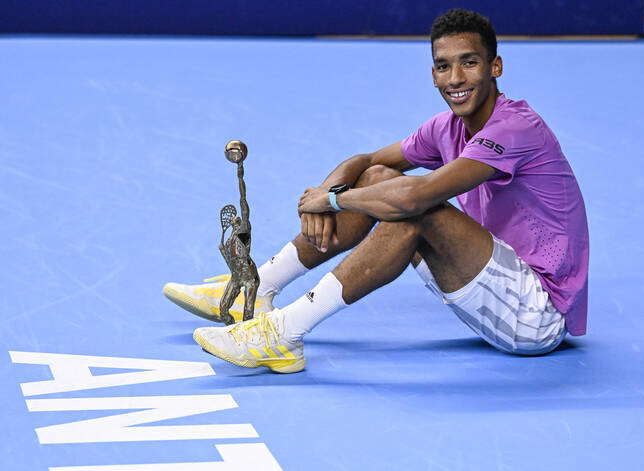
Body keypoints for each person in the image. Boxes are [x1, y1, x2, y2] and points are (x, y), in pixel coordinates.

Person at [163, 8, 589, 374]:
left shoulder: (515, 129)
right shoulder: (447, 127)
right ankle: (255, 290)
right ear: (433, 73)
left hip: (536, 316)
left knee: (415, 211)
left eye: (469, 63)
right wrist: (328, 190)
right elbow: (366, 163)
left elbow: (412, 200)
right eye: (443, 66)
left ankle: (283, 333)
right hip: (490, 287)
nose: (455, 78)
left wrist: (331, 201)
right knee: (380, 178)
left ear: (495, 67)